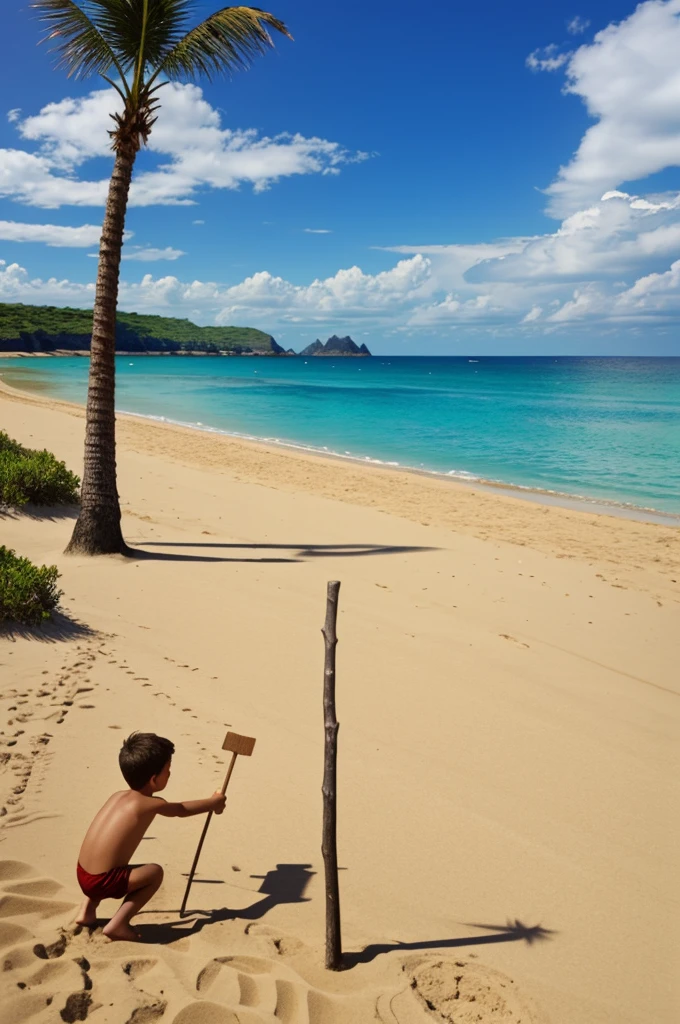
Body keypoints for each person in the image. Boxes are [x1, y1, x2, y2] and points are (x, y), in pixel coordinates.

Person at [75, 732, 226, 941]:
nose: (170, 773)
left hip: (82, 873)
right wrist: (213, 802)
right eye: (168, 770)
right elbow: (181, 809)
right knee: (155, 873)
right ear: (153, 779)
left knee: (107, 861)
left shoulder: (117, 796)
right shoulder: (151, 803)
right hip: (102, 881)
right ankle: (118, 924)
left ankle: (87, 911)